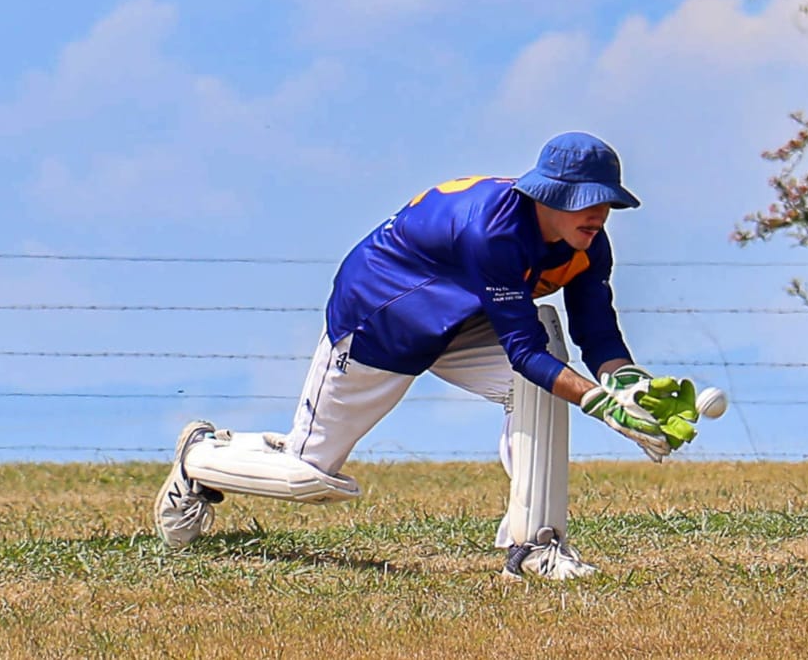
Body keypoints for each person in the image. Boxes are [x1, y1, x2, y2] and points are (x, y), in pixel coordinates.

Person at [154, 131, 701, 578]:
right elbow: (522, 351)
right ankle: (200, 457)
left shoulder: (587, 241)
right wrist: (602, 404)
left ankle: (531, 548)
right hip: (383, 319)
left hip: (462, 315)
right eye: (586, 200)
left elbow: (596, 329)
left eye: (607, 200)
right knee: (308, 475)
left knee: (542, 361)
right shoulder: (495, 233)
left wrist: (629, 384)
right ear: (547, 195)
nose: (599, 212)